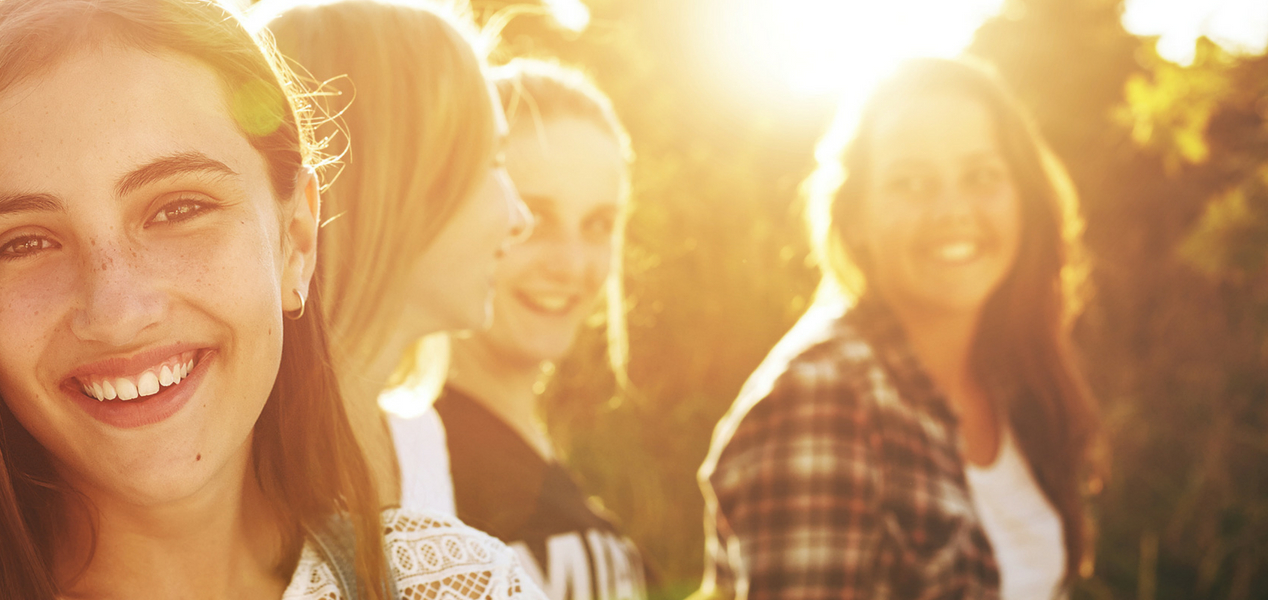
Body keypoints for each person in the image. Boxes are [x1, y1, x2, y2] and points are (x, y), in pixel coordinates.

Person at [0, 0, 541, 598]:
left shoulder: (466, 586)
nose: (117, 307)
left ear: (297, 240)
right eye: (25, 242)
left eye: (178, 209)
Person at [697, 58, 1102, 600]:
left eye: (982, 176)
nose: (952, 210)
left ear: (1023, 200)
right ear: (857, 219)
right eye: (912, 184)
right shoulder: (825, 399)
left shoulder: (1011, 380)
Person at [262, 0, 531, 512]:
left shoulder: (418, 442)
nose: (520, 218)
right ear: (393, 184)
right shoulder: (234, 473)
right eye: (492, 161)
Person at [434, 59, 647, 600]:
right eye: (533, 217)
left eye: (597, 225)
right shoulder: (412, 465)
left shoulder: (546, 460)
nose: (571, 264)